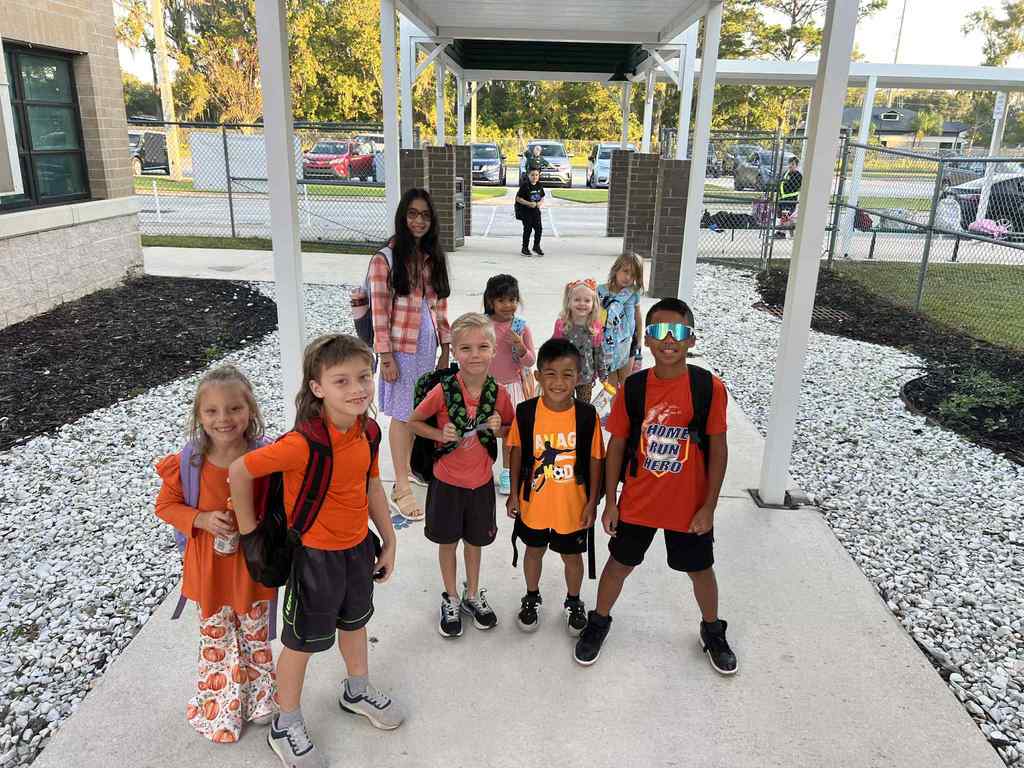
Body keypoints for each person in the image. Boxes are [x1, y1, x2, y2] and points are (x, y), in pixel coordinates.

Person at [230, 335, 402, 768]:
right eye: (341, 380)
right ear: (317, 387)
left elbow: (371, 484)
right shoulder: (301, 443)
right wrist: (250, 534)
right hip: (314, 559)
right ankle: (284, 723)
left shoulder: (370, 429)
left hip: (357, 549)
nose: (357, 389)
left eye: (363, 377)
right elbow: (239, 470)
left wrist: (390, 538)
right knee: (301, 643)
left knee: (356, 624)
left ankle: (356, 690)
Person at [573, 298, 737, 676]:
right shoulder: (633, 388)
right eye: (658, 331)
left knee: (701, 571)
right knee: (618, 566)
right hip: (638, 502)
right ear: (646, 338)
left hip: (688, 506)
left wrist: (709, 507)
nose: (668, 339)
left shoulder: (708, 388)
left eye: (677, 331)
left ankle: (712, 629)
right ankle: (599, 620)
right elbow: (616, 446)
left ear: (691, 339)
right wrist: (610, 502)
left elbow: (718, 450)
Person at [154, 365, 277, 743]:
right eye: (212, 411)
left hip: (252, 567)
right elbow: (165, 506)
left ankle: (260, 699)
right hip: (208, 570)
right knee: (218, 638)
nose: (224, 419)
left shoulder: (266, 455)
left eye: (234, 408)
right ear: (199, 416)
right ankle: (221, 705)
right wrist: (201, 519)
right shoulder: (189, 462)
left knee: (256, 635)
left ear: (250, 410)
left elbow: (283, 502)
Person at [409, 313, 514, 638]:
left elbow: (513, 430)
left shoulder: (498, 395)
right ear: (454, 351)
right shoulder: (443, 390)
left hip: (480, 482)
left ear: (494, 350)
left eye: (483, 346)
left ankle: (472, 594)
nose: (475, 354)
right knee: (447, 541)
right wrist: (440, 434)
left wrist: (499, 428)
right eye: (466, 348)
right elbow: (414, 422)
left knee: (475, 542)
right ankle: (451, 596)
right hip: (446, 482)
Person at [506, 338, 605, 636]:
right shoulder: (526, 413)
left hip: (572, 507)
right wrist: (513, 493)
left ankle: (573, 600)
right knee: (533, 552)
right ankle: (531, 596)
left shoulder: (587, 417)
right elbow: (515, 451)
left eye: (567, 374)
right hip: (533, 504)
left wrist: (592, 503)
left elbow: (596, 458)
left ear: (579, 377)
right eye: (550, 373)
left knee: (572, 557)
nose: (558, 382)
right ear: (537, 376)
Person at [369, 188, 452, 521]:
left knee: (421, 411)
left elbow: (440, 306)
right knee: (403, 416)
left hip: (427, 350)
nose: (419, 221)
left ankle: (415, 469)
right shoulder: (385, 259)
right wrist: (385, 357)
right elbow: (379, 311)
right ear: (403, 217)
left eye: (425, 215)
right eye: (413, 214)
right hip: (401, 352)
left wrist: (446, 349)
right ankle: (400, 485)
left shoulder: (432, 257)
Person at [482, 274, 536, 496]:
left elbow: (531, 360)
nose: (508, 305)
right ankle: (481, 469)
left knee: (509, 433)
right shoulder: (483, 325)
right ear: (490, 301)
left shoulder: (520, 327)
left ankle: (507, 472)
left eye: (513, 299)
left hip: (513, 386)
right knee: (483, 430)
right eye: (502, 300)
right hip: (486, 387)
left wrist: (521, 346)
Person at [552, 278, 607, 403]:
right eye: (577, 300)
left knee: (583, 407)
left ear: (594, 303)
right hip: (565, 376)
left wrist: (603, 374)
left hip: (586, 377)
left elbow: (598, 352)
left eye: (587, 300)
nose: (582, 303)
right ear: (569, 302)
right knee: (564, 405)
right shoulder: (562, 325)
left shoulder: (595, 326)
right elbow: (553, 350)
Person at [598, 253, 644, 391]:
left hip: (627, 343)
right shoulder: (601, 291)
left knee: (626, 383)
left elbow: (638, 316)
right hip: (607, 344)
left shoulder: (633, 293)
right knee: (610, 386)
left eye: (633, 275)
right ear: (616, 269)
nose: (628, 277)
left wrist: (639, 339)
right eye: (625, 271)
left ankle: (624, 411)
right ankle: (614, 411)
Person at [516, 167, 545, 257]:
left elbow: (542, 197)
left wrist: (540, 203)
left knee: (539, 229)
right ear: (528, 175)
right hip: (526, 211)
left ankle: (536, 246)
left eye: (536, 175)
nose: (535, 177)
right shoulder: (525, 185)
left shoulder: (539, 185)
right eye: (532, 175)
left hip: (536, 211)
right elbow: (518, 198)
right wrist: (528, 203)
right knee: (527, 229)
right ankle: (524, 248)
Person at [777, 156, 802, 238]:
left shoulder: (798, 175)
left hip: (791, 199)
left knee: (786, 214)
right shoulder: (786, 173)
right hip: (783, 198)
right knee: (785, 216)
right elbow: (782, 183)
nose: (790, 166)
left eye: (793, 164)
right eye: (789, 164)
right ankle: (789, 231)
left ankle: (782, 232)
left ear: (796, 165)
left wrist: (786, 182)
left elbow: (794, 185)